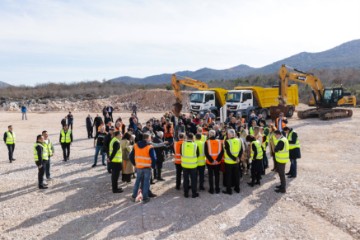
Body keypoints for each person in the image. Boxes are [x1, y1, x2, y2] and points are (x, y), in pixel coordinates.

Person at [130, 133, 157, 204]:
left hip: (139, 167)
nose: (150, 139)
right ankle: (145, 198)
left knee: (137, 182)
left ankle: (133, 196)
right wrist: (153, 166)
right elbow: (154, 158)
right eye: (150, 138)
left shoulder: (135, 145)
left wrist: (135, 164)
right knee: (146, 183)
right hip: (147, 167)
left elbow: (130, 156)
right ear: (147, 138)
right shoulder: (149, 147)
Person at [223, 129, 242, 194]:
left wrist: (234, 158)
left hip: (229, 162)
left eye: (228, 134)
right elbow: (241, 150)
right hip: (236, 162)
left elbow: (228, 152)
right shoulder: (239, 140)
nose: (227, 135)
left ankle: (229, 190)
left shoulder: (227, 141)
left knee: (229, 176)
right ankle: (237, 188)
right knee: (237, 175)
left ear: (229, 135)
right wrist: (238, 158)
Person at [180, 133, 200, 198]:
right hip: (193, 165)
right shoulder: (195, 145)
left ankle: (186, 193)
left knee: (185, 179)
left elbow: (181, 153)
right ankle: (194, 193)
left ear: (187, 137)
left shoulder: (183, 145)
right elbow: (198, 154)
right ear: (193, 138)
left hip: (185, 165)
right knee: (193, 180)